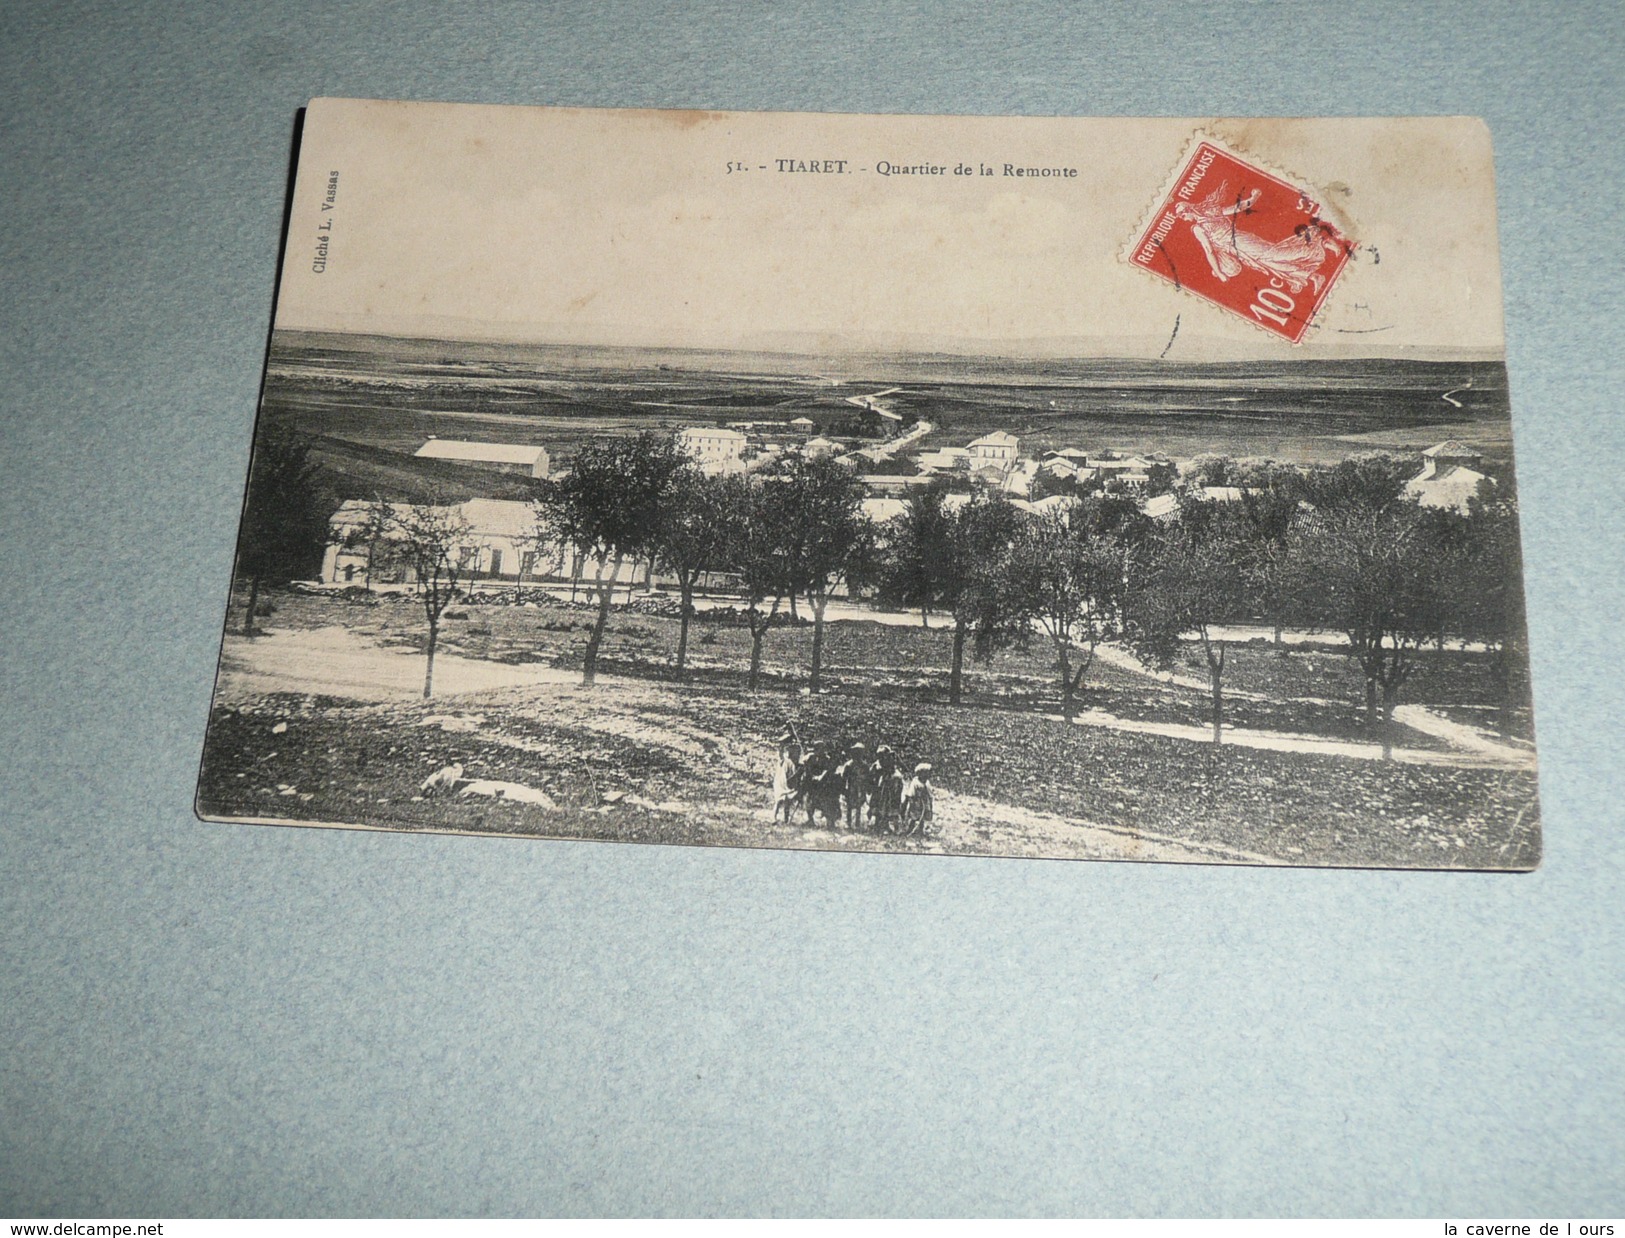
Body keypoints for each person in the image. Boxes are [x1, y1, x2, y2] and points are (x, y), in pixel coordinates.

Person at [837, 742, 871, 830]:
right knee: (849, 805)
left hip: (860, 787)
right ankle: (848, 822)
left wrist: (867, 788)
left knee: (859, 805)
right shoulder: (849, 765)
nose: (858, 755)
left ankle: (857, 823)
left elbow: (867, 778)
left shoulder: (864, 766)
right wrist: (843, 788)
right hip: (851, 787)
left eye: (860, 752)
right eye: (856, 752)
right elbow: (844, 777)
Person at [771, 733, 801, 824]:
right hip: (780, 784)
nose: (796, 755)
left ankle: (786, 819)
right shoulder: (784, 760)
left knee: (787, 802)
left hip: (789, 785)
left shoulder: (795, 764)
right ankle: (773, 818)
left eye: (797, 753)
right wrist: (783, 743)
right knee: (778, 801)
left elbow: (795, 775)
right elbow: (780, 752)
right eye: (794, 753)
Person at [900, 762, 934, 836]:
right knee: (914, 817)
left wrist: (930, 803)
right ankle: (910, 829)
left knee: (922, 817)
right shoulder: (915, 782)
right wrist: (912, 803)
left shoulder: (927, 782)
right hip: (916, 803)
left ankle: (920, 830)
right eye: (926, 773)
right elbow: (910, 794)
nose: (928, 775)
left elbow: (929, 793)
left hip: (925, 803)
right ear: (921, 773)